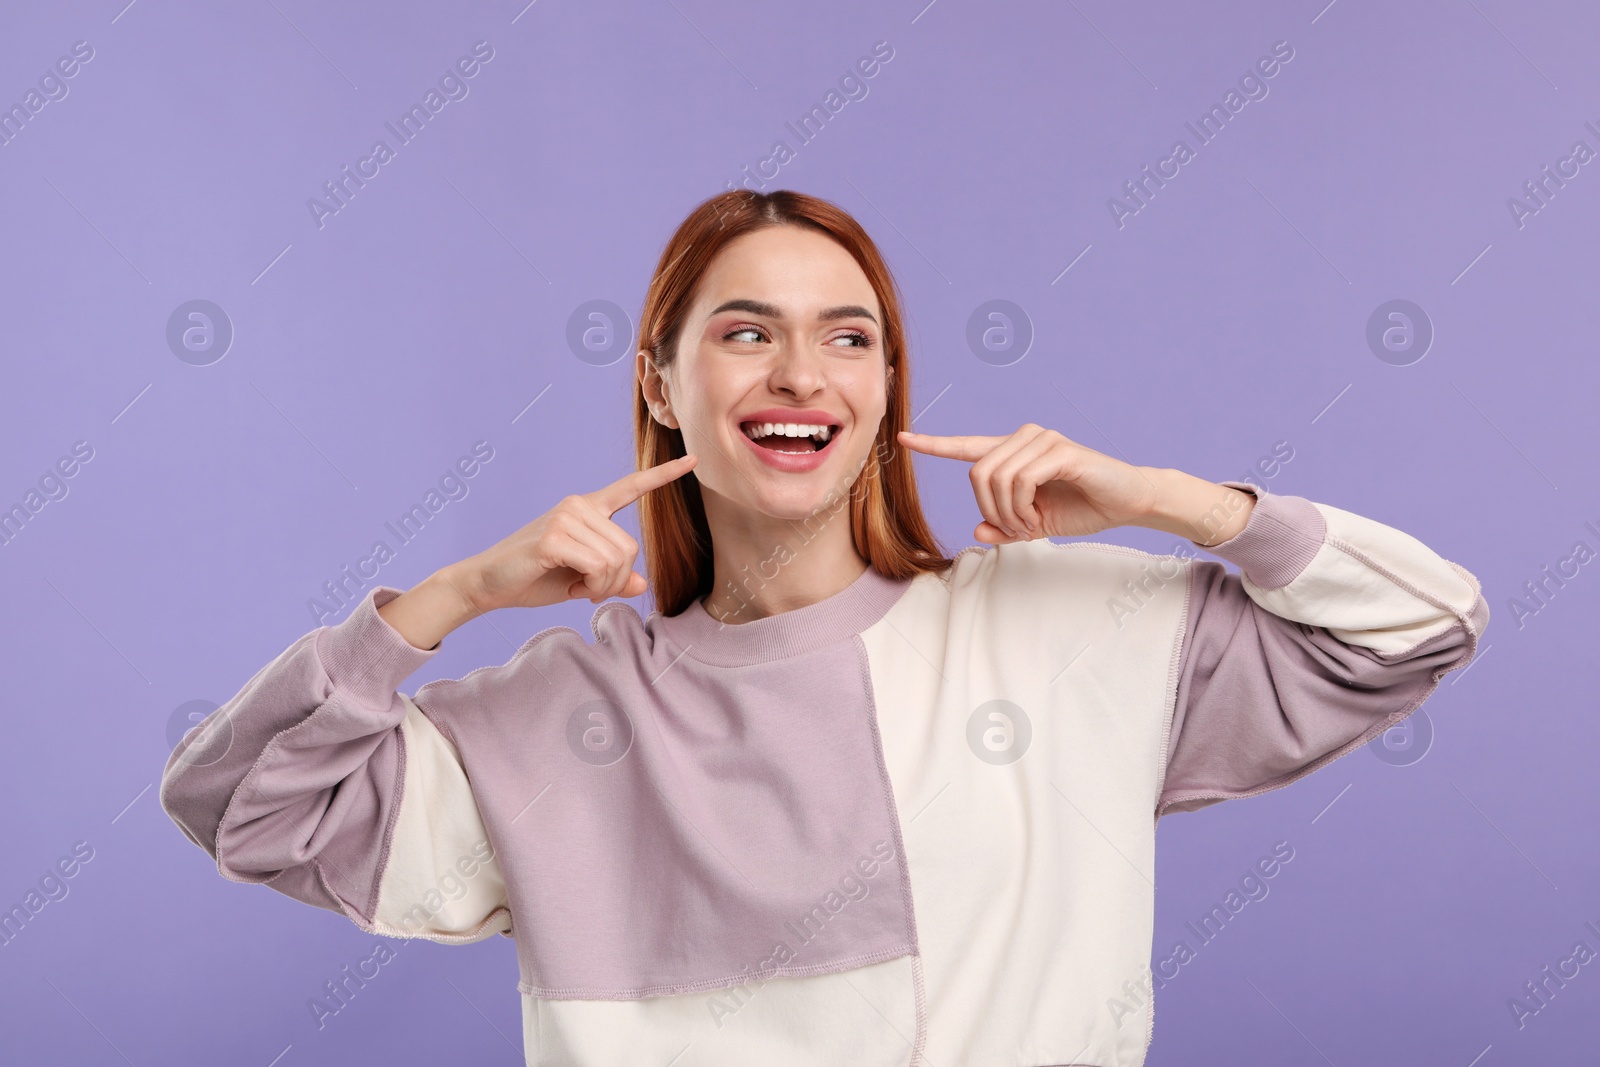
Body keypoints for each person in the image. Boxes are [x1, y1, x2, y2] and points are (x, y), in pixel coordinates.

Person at [160, 189, 1489, 1067]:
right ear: (662, 388)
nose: (802, 372)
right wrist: (444, 601)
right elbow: (240, 805)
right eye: (748, 333)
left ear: (886, 386)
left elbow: (1420, 625)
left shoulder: (1070, 631)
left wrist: (1171, 501)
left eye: (848, 339)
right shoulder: (547, 720)